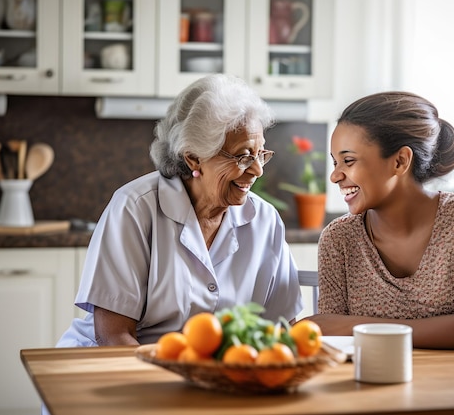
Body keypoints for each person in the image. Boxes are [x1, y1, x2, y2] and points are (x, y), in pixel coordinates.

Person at [56, 74, 303, 347]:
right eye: (243, 156)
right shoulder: (136, 207)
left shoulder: (265, 220)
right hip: (120, 366)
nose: (257, 170)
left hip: (213, 375)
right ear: (194, 157)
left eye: (260, 154)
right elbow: (114, 336)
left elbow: (282, 329)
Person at [308, 91, 454, 360]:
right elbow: (334, 345)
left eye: (348, 160)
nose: (335, 176)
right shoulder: (339, 239)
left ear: (400, 161)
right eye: (335, 162)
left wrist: (354, 326)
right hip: (377, 387)